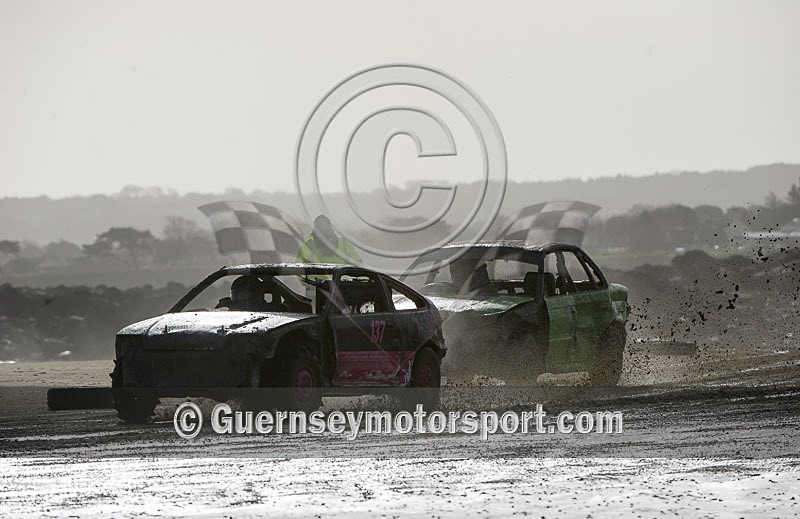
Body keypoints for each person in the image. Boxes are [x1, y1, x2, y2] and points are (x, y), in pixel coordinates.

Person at [295, 215, 362, 265]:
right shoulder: (307, 247)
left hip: (341, 280)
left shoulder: (345, 245)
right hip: (317, 281)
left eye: (325, 228)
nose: (324, 232)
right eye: (321, 228)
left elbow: (359, 267)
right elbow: (297, 271)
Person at [216, 275, 286, 312]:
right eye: (235, 294)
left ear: (254, 294)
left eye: (242, 293)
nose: (238, 297)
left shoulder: (268, 310)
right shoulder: (228, 306)